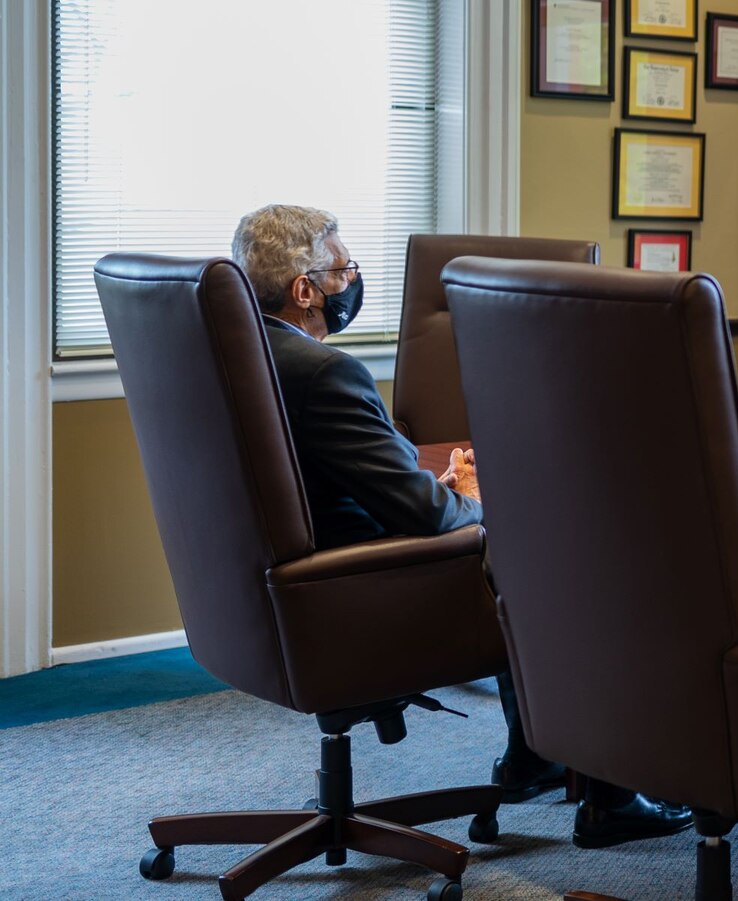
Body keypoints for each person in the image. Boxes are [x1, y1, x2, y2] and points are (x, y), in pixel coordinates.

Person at [231, 204, 694, 851]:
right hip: (361, 600)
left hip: (286, 598)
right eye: (344, 269)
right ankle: (610, 795)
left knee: (513, 540)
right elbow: (429, 520)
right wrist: (471, 500)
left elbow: (348, 494)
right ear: (304, 290)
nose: (353, 279)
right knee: (561, 554)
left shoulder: (242, 356)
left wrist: (438, 493)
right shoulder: (323, 372)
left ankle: (535, 754)